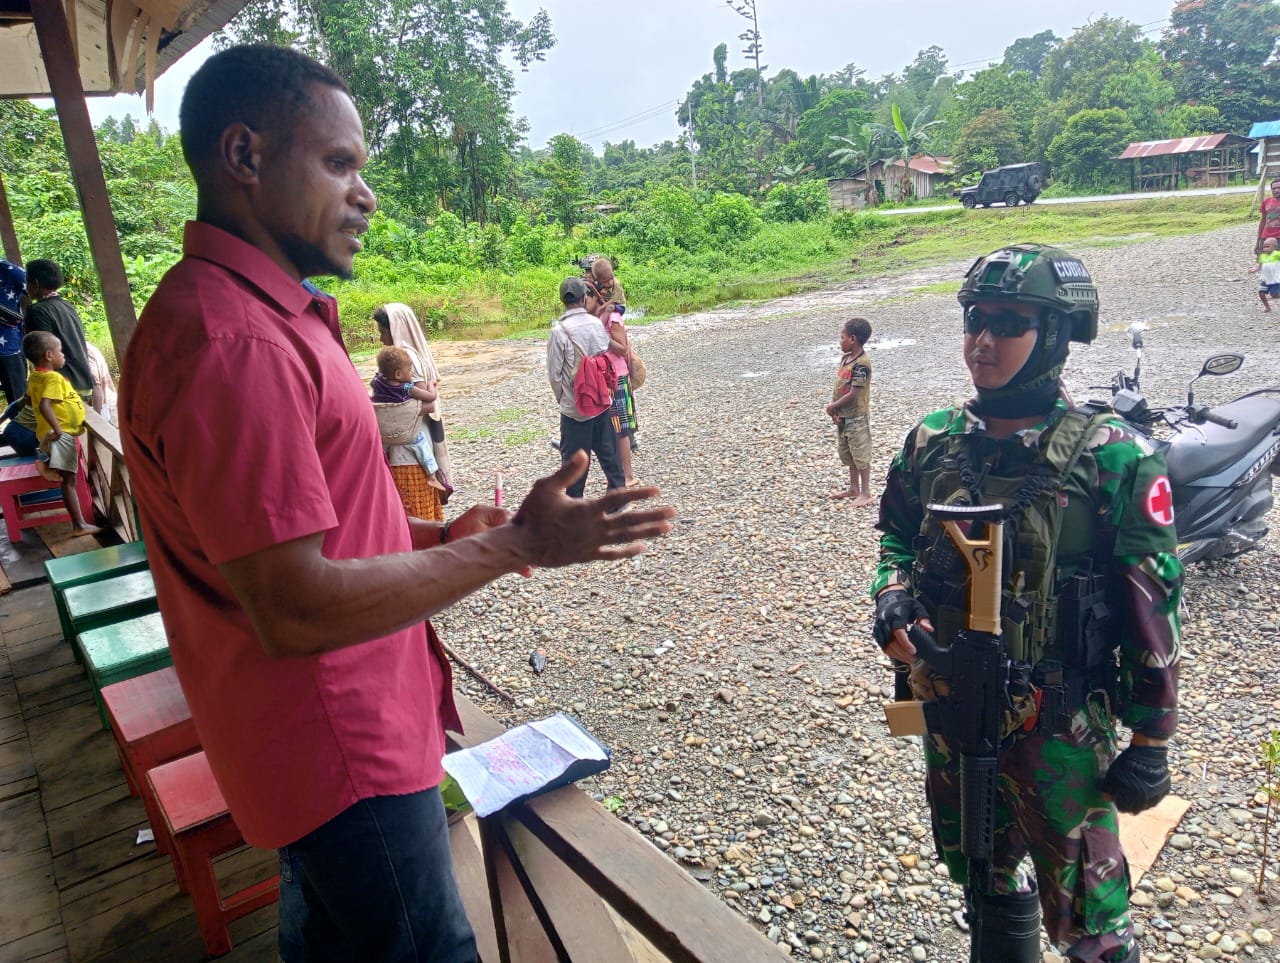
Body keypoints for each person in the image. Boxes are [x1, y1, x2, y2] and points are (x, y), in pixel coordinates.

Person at [118, 44, 674, 963]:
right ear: (246, 157)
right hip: (343, 750)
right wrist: (511, 547)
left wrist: (441, 532)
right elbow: (292, 602)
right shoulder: (235, 342)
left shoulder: (244, 315)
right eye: (338, 164)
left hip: (312, 746)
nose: (365, 193)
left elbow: (293, 531)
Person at [870, 243, 1181, 963]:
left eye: (1008, 322)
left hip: (1061, 727)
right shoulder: (934, 439)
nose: (982, 340)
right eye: (975, 318)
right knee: (981, 872)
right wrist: (891, 596)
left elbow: (1155, 599)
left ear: (1058, 334)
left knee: (1091, 915)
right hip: (951, 707)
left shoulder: (1115, 457)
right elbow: (893, 531)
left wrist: (1153, 737)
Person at [547, 276, 626, 498]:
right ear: (584, 298)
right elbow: (604, 354)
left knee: (574, 462)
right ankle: (618, 502)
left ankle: (575, 508)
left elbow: (555, 373)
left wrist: (562, 399)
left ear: (563, 300)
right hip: (600, 401)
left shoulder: (559, 331)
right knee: (610, 456)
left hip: (574, 408)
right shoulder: (595, 324)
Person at [20, 331, 99, 533]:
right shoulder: (53, 378)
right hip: (60, 435)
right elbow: (46, 405)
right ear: (48, 355)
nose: (63, 355)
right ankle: (79, 525)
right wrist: (58, 429)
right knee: (68, 481)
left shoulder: (36, 377)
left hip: (47, 434)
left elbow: (28, 399)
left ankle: (45, 464)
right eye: (60, 351)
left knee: (66, 474)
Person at [373, 303, 452, 487]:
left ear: (396, 329)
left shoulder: (406, 360)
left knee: (413, 507)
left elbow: (426, 405)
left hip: (409, 446)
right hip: (407, 438)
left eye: (383, 331)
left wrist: (386, 412)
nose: (381, 338)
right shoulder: (402, 358)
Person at [24, 259, 94, 405]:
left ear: (35, 283)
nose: (26, 286)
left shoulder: (37, 311)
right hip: (83, 383)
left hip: (61, 388)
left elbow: (43, 355)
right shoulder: (66, 305)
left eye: (27, 281)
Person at [825, 317, 873, 506]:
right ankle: (854, 488)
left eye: (842, 336)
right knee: (849, 453)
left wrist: (833, 406)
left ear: (853, 339)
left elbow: (854, 393)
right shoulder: (846, 360)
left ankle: (866, 491)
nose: (840, 340)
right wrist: (835, 410)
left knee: (861, 453)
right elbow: (840, 388)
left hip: (856, 417)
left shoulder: (861, 364)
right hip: (843, 416)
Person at [596, 283, 639, 487]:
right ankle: (619, 474)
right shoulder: (601, 318)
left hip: (618, 377)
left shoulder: (613, 319)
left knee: (621, 428)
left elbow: (622, 349)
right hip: (606, 376)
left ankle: (627, 475)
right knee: (612, 427)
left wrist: (603, 339)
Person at [0, 260, 28, 408]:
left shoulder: (8, 270)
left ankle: (24, 431)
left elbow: (40, 289)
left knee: (18, 402)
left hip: (8, 348)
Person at [85, 342, 118, 423]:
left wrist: (98, 423)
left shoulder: (84, 351)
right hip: (105, 407)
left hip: (103, 409)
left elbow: (96, 386)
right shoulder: (85, 347)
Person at [1249, 235, 1280, 313]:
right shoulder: (1263, 256)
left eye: (1268, 246)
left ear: (1275, 247)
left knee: (1274, 294)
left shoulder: (1277, 254)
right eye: (1264, 247)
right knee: (1261, 292)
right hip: (1265, 279)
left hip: (1275, 279)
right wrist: (1254, 269)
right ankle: (1267, 307)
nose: (1265, 248)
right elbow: (1259, 266)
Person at [1257, 178, 1280, 255]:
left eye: (1279, 188)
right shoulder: (1266, 201)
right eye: (1274, 188)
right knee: (1262, 262)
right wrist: (1258, 242)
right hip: (1266, 236)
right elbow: (1263, 221)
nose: (1277, 190)